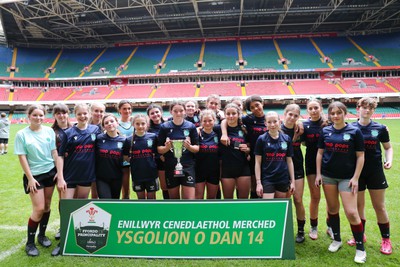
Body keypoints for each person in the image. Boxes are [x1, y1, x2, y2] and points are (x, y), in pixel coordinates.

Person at [315, 101, 366, 264]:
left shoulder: (354, 131)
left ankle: (360, 249)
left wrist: (356, 177)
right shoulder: (325, 131)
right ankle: (336, 239)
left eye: (339, 112)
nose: (335, 116)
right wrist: (318, 174)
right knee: (332, 209)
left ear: (345, 113)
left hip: (347, 178)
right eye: (332, 113)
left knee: (351, 212)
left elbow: (360, 156)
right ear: (329, 115)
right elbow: (320, 154)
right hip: (328, 176)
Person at [52, 103, 101, 256]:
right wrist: (60, 176)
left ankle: (76, 237)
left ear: (89, 114)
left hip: (86, 176)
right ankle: (63, 243)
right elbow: (60, 155)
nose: (83, 116)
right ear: (75, 115)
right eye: (79, 114)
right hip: (70, 176)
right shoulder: (68, 132)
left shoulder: (95, 130)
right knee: (67, 207)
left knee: (81, 207)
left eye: (85, 113)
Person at [347, 97, 393, 255]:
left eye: (370, 108)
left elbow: (388, 147)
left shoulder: (380, 128)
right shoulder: (350, 127)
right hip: (356, 174)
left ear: (374, 110)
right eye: (364, 107)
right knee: (358, 207)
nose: (367, 110)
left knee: (379, 206)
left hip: (375, 172)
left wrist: (389, 160)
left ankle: (386, 240)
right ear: (358, 108)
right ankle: (361, 235)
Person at [14, 104, 58, 256]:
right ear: (29, 116)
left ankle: (42, 235)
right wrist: (30, 178)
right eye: (35, 115)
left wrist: (58, 171)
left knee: (46, 206)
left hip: (50, 173)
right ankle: (30, 243)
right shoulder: (21, 134)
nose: (38, 118)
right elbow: (22, 156)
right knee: (38, 208)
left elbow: (54, 151)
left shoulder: (49, 131)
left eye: (41, 115)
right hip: (34, 176)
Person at [221, 95, 267, 199]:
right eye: (252, 107)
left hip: (269, 158)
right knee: (254, 187)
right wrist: (224, 133)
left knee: (267, 187)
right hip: (253, 159)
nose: (255, 108)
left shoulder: (270, 118)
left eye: (257, 105)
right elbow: (225, 120)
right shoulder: (248, 119)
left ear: (262, 103)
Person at [301, 98, 332, 240]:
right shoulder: (303, 125)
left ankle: (330, 226)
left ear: (321, 108)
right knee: (315, 196)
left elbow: (349, 129)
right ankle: (313, 227)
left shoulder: (329, 123)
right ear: (307, 110)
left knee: (330, 198)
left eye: (316, 108)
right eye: (311, 108)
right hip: (311, 164)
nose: (313, 111)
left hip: (329, 163)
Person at [157, 100, 199, 199]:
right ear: (171, 112)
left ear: (184, 111)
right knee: (174, 200)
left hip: (187, 165)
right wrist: (167, 148)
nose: (178, 113)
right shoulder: (165, 127)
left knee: (189, 200)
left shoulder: (190, 126)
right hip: (171, 165)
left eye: (181, 110)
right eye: (175, 111)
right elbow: (159, 149)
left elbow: (197, 148)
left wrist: (189, 147)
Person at [255, 111, 295, 199]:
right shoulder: (261, 139)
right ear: (265, 123)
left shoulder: (286, 138)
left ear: (279, 122)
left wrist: (292, 181)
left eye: (275, 121)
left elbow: (289, 161)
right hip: (268, 178)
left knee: (279, 209)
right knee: (268, 208)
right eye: (269, 122)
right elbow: (257, 162)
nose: (272, 124)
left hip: (282, 178)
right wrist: (258, 183)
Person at [281, 104, 306, 243]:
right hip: (280, 169)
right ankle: (283, 229)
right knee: (285, 200)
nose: (292, 117)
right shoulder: (277, 128)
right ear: (285, 114)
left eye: (296, 116)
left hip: (297, 169)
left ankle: (301, 230)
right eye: (290, 114)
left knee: (297, 199)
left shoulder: (301, 129)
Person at [219, 103, 251, 199]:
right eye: (228, 114)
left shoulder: (244, 129)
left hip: (243, 168)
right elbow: (205, 128)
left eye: (234, 113)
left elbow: (250, 146)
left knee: (243, 201)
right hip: (227, 170)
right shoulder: (219, 129)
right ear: (225, 115)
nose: (231, 116)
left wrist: (247, 149)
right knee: (228, 202)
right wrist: (199, 129)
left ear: (238, 114)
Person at [51, 103, 72, 241]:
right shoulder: (51, 132)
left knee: (75, 199)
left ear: (68, 114)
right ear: (54, 115)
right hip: (59, 170)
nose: (61, 115)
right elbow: (52, 152)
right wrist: (58, 171)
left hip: (74, 168)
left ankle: (74, 226)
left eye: (63, 113)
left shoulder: (74, 129)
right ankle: (63, 226)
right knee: (63, 199)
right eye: (58, 113)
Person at [124, 114, 159, 199]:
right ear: (133, 124)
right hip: (137, 175)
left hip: (151, 174)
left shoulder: (153, 137)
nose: (140, 126)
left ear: (147, 124)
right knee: (141, 200)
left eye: (143, 123)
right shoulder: (129, 140)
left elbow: (157, 153)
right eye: (137, 124)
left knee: (152, 200)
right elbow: (125, 156)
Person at [95, 113, 126, 199]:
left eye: (112, 121)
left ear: (117, 123)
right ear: (104, 126)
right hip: (101, 178)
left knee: (114, 203)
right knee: (106, 202)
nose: (109, 124)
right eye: (106, 123)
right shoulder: (99, 139)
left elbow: (127, 157)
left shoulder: (124, 140)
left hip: (117, 177)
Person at [195, 109, 220, 199]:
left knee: (211, 198)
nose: (207, 123)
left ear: (214, 120)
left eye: (210, 120)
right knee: (198, 197)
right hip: (199, 170)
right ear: (201, 122)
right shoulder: (196, 134)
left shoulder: (219, 134)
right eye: (204, 121)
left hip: (214, 171)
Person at [147, 104, 169, 199]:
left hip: (168, 159)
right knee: (158, 187)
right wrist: (158, 154)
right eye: (152, 113)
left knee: (169, 186)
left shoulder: (168, 125)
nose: (155, 114)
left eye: (157, 112)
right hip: (154, 160)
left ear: (161, 113)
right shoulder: (147, 129)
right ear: (149, 116)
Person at [88, 102, 105, 199]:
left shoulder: (107, 125)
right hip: (90, 162)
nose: (99, 113)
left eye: (101, 111)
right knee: (93, 192)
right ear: (91, 112)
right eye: (96, 111)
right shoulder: (85, 126)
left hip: (104, 162)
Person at [117, 100, 134, 199]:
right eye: (124, 109)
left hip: (137, 157)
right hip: (123, 159)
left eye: (129, 108)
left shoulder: (136, 122)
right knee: (125, 190)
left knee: (139, 187)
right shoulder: (115, 124)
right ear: (119, 110)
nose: (127, 111)